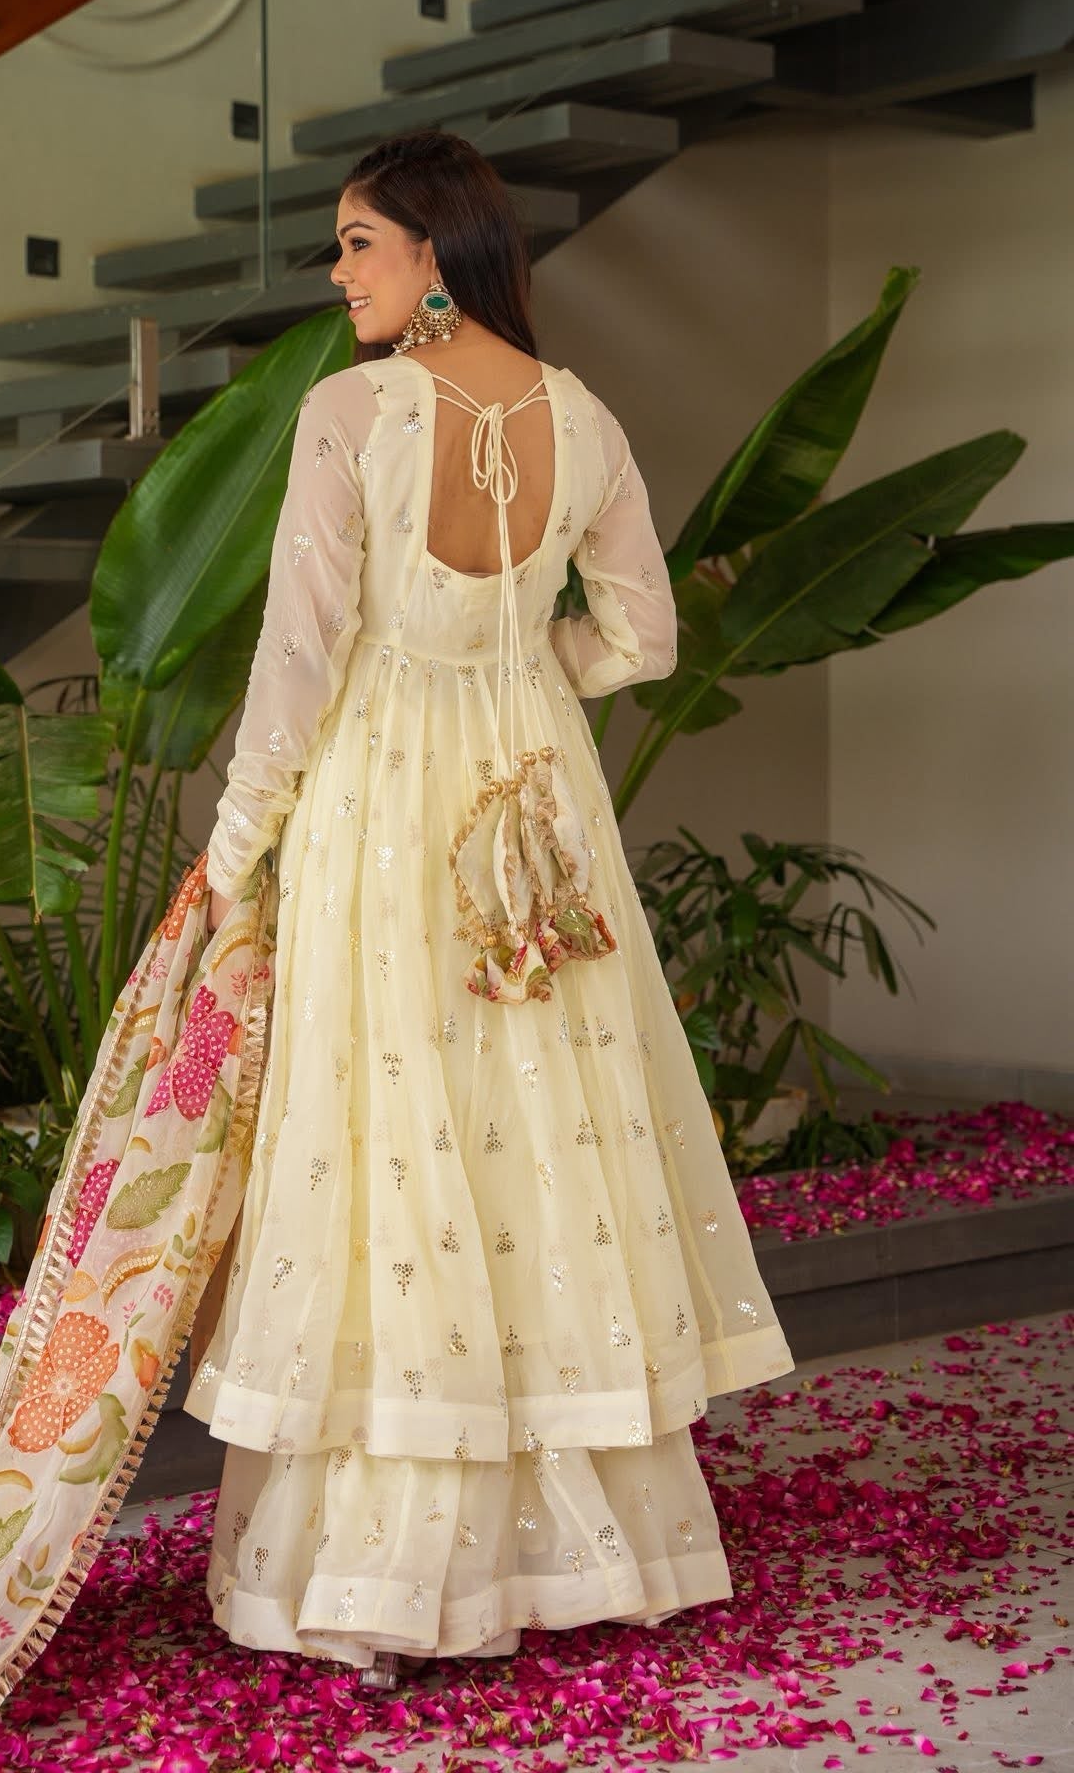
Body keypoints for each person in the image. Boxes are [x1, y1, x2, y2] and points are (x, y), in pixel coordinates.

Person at [178, 128, 795, 1687]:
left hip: (386, 801)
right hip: (533, 800)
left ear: (433, 252)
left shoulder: (353, 413)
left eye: (357, 243)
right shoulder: (580, 416)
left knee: (387, 1132)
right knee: (543, 1128)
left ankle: (390, 1573)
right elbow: (642, 638)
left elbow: (301, 658)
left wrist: (235, 847)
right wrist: (524, 672)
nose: (337, 274)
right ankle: (581, 1554)